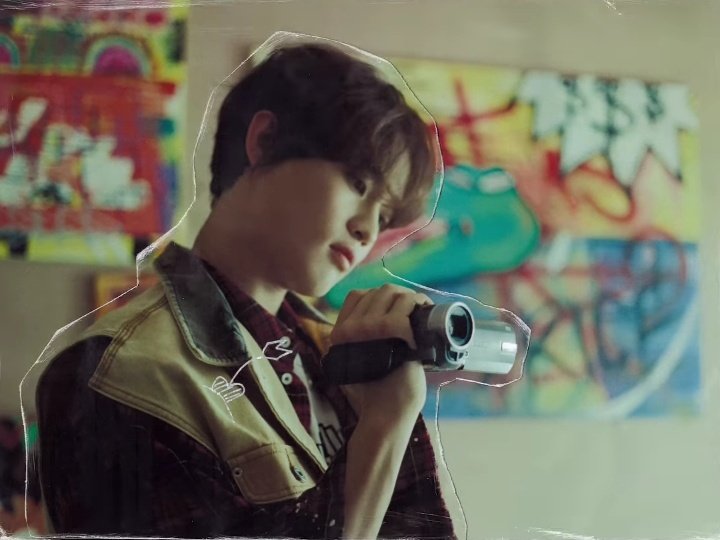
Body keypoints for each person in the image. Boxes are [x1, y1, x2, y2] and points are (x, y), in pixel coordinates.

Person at [35, 40, 457, 539]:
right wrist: (383, 426)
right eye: (359, 184)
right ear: (265, 140)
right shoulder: (109, 373)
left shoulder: (340, 353)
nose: (368, 230)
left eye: (385, 216)